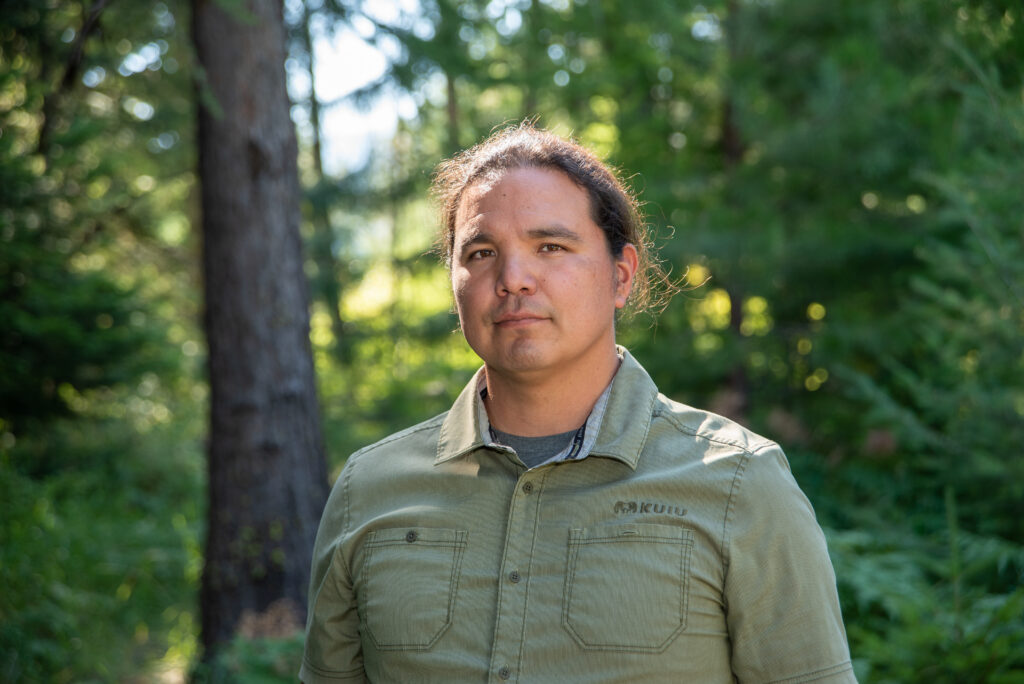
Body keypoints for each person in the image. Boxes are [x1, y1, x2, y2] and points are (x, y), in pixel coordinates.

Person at [300, 124, 856, 683]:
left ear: (621, 276)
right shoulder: (367, 489)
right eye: (482, 251)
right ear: (454, 282)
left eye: (551, 247)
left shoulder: (741, 484)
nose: (513, 279)